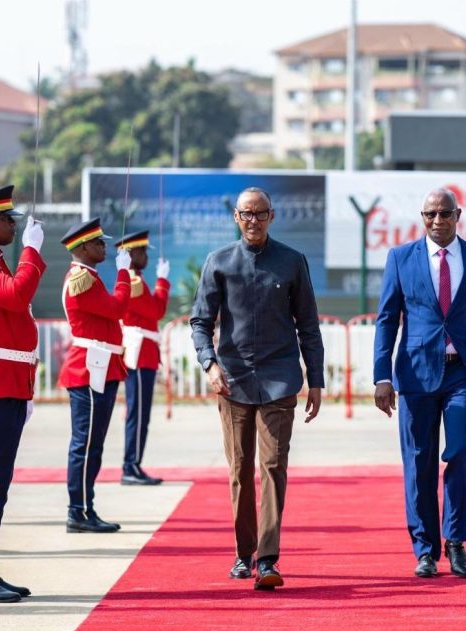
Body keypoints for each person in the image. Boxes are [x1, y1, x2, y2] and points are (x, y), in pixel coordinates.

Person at [190, 187, 324, 591]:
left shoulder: (292, 262)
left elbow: (309, 327)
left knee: (272, 467)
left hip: (280, 379)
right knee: (239, 469)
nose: (253, 221)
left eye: (260, 214)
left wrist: (315, 380)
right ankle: (242, 552)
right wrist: (209, 364)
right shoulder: (219, 262)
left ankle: (267, 560)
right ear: (236, 217)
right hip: (232, 381)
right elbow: (200, 322)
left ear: (271, 216)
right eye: (246, 214)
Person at [373, 187, 466, 579]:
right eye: (430, 214)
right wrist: (382, 375)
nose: (437, 220)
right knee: (419, 463)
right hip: (415, 374)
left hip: (463, 372)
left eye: (444, 213)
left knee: (461, 451)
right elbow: (386, 319)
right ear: (422, 216)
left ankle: (457, 541)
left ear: (458, 215)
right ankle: (425, 549)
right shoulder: (401, 258)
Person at [0, 186, 45, 603]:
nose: (13, 225)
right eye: (5, 219)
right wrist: (32, 253)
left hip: (6, 381)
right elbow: (17, 296)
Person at [58, 218, 131, 533]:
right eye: (99, 243)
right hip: (90, 367)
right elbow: (116, 308)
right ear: (83, 247)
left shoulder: (90, 277)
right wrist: (125, 273)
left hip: (100, 364)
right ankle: (78, 510)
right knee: (85, 444)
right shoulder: (82, 279)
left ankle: (85, 508)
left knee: (93, 444)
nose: (104, 247)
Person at [114, 230, 170, 486]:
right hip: (139, 353)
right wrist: (162, 281)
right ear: (132, 254)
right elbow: (156, 310)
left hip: (145, 352)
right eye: (142, 251)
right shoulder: (134, 283)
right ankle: (130, 466)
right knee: (138, 413)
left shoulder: (137, 281)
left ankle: (133, 464)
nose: (146, 255)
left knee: (141, 413)